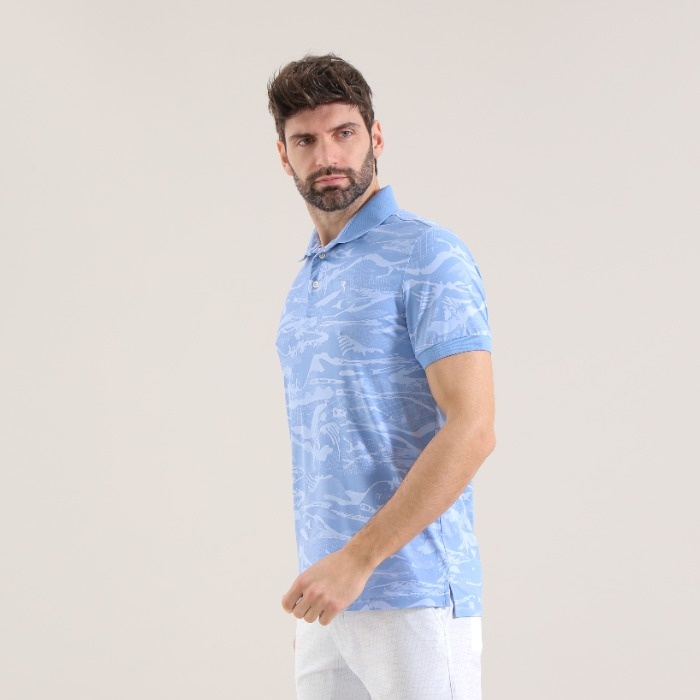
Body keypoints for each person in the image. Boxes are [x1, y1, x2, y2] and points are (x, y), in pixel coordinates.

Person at [267, 53, 496, 700]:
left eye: (344, 133)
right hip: (332, 600)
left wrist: (359, 560)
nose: (327, 155)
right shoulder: (310, 274)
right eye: (305, 141)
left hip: (413, 595)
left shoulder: (427, 254)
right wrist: (327, 586)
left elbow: (474, 428)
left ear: (376, 136)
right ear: (284, 156)